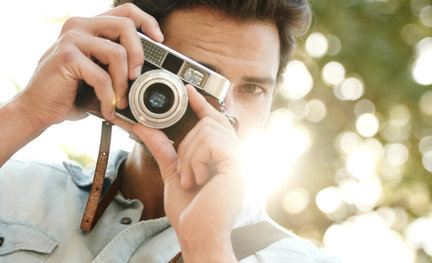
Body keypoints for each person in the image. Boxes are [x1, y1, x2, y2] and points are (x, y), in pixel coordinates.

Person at [0, 0, 339, 262]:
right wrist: (25, 113)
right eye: (197, 79)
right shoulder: (14, 188)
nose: (225, 114)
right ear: (134, 62)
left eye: (251, 90)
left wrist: (208, 249)